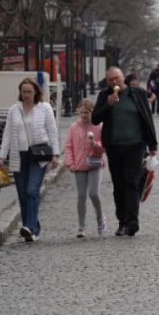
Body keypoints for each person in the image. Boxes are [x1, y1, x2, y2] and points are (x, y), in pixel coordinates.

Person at [92, 67, 157, 237]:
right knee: (119, 185)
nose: (114, 82)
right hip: (113, 146)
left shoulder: (136, 93)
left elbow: (147, 118)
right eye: (111, 80)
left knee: (132, 181)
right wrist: (108, 104)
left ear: (123, 78)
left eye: (117, 79)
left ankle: (132, 220)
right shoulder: (104, 96)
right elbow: (95, 118)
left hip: (135, 146)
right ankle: (122, 222)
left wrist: (153, 144)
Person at [0, 78, 60, 242]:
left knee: (32, 190)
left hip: (38, 156)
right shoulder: (14, 110)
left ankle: (29, 226)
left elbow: (52, 131)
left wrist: (55, 154)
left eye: (29, 92)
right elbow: (7, 134)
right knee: (23, 193)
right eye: (23, 92)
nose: (26, 95)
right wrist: (1, 156)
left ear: (36, 93)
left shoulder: (44, 108)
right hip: (19, 155)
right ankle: (31, 228)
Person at [63, 97, 107, 237]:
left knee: (94, 193)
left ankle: (100, 218)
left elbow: (104, 147)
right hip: (79, 165)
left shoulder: (99, 126)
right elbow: (69, 146)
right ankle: (81, 226)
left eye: (86, 113)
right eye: (81, 112)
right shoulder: (74, 127)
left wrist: (96, 145)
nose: (83, 115)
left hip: (95, 163)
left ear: (92, 112)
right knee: (81, 196)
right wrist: (70, 163)